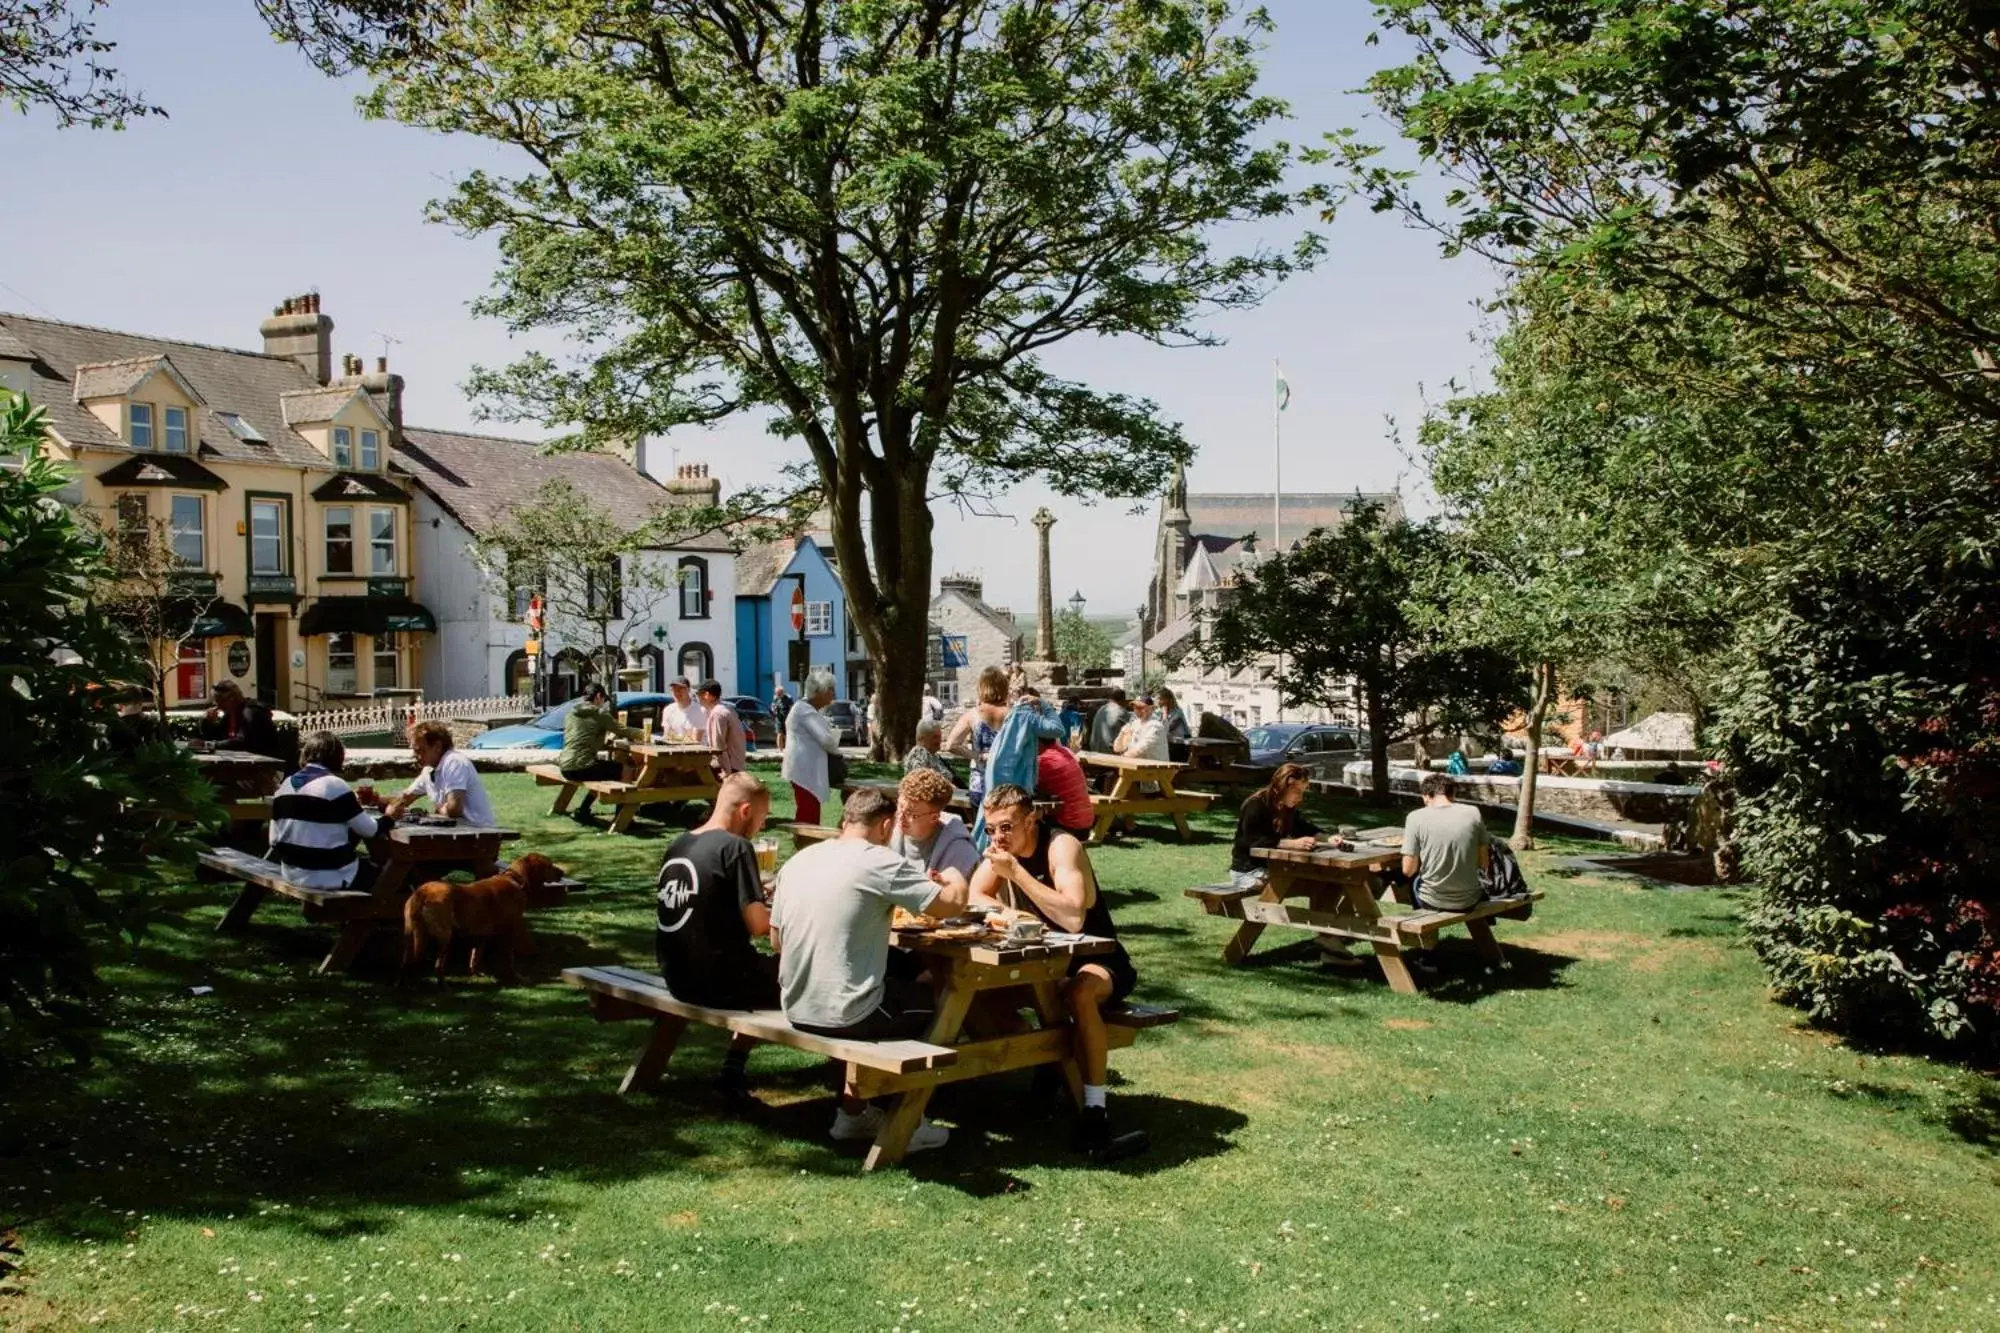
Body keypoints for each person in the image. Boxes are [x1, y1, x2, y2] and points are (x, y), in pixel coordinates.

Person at [770, 787, 968, 1150]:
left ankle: (854, 1113)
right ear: (887, 824)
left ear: (846, 819)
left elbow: (776, 943)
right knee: (945, 1005)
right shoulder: (879, 862)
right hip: (848, 1013)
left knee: (887, 983)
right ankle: (909, 1121)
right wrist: (956, 877)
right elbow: (950, 905)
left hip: (796, 1005)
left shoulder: (800, 860)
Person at [970, 784, 1146, 1160]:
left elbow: (1072, 915)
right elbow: (975, 896)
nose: (998, 837)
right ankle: (1045, 1060)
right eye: (991, 829)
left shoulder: (1061, 847)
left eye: (1006, 827)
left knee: (1078, 995)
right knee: (978, 993)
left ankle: (1095, 1110)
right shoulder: (1003, 851)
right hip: (1046, 963)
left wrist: (1016, 874)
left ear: (1031, 819)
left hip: (1099, 958)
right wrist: (1014, 915)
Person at [655, 773, 777, 1094]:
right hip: (723, 982)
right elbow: (760, 926)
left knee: (764, 968)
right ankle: (854, 1098)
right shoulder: (736, 847)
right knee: (808, 977)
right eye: (763, 818)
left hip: (677, 976)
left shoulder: (679, 843)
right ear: (746, 811)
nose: (762, 827)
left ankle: (734, 1065)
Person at [269, 730, 390, 890]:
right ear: (338, 757)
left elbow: (273, 840)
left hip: (293, 875)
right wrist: (390, 816)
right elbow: (370, 830)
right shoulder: (335, 785)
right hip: (332, 877)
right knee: (392, 876)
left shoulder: (286, 785)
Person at [1401, 773, 1492, 946]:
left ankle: (1427, 952)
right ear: (1452, 794)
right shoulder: (1473, 813)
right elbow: (1484, 863)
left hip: (1433, 899)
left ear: (1427, 796)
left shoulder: (1415, 817)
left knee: (1414, 882)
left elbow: (1408, 870)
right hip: (1471, 897)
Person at [557, 683, 644, 822]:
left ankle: (584, 809)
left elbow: (583, 738)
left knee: (603, 770)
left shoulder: (571, 714)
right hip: (582, 767)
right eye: (603, 700)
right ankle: (622, 818)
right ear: (598, 696)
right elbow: (622, 730)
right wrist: (645, 733)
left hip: (565, 767)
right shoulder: (598, 713)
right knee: (626, 770)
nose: (603, 703)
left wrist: (603, 742)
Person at [384, 721, 497, 827]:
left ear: (437, 746)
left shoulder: (454, 762)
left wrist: (439, 809)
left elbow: (454, 809)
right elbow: (406, 797)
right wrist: (376, 800)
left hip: (479, 833)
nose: (415, 755)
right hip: (457, 831)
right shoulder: (429, 770)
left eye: (420, 750)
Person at [1229, 762, 1320, 890]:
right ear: (1283, 786)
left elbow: (1301, 826)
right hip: (1247, 872)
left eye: (1303, 792)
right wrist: (1293, 844)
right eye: (1297, 791)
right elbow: (1256, 841)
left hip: (1272, 868)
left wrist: (1326, 837)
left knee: (1319, 882)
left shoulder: (1286, 806)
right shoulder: (1255, 805)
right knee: (1298, 883)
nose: (1300, 798)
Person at [889, 768, 979, 890]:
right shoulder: (885, 834)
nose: (900, 816)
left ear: (934, 817)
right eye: (899, 806)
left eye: (911, 814)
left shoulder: (960, 852)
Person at [780, 668, 843, 824]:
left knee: (808, 811)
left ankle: (805, 842)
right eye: (830, 689)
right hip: (804, 772)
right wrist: (837, 749)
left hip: (805, 771)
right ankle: (805, 843)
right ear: (820, 691)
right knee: (808, 815)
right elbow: (827, 740)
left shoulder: (805, 709)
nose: (833, 694)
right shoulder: (805, 710)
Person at [943, 666, 1010, 805]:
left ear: (981, 687)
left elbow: (951, 745)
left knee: (980, 826)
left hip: (980, 784)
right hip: (1009, 784)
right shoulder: (1014, 715)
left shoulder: (972, 715)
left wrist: (978, 756)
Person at [201, 679, 286, 760]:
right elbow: (218, 737)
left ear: (234, 697)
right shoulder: (230, 715)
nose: (219, 706)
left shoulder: (250, 712)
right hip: (242, 762)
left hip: (264, 764)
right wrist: (207, 722)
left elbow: (242, 741)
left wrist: (210, 744)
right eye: (216, 701)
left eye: (221, 701)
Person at [1035, 735, 1095, 840]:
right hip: (1086, 822)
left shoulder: (1044, 760)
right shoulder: (1065, 752)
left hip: (1069, 826)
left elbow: (1025, 788)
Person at [700, 679, 747, 776]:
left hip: (729, 767)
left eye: (699, 695)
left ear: (707, 695)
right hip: (737, 764)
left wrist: (725, 771)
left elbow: (718, 747)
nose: (698, 699)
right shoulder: (726, 709)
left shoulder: (717, 714)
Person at [902, 717, 958, 781]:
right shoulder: (919, 754)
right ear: (922, 739)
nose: (939, 740)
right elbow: (920, 782)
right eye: (935, 737)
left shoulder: (932, 755)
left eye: (939, 736)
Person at [1087, 688, 1130, 754]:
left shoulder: (1101, 709)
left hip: (1094, 749)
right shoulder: (1122, 712)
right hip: (1109, 753)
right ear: (1123, 700)